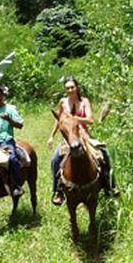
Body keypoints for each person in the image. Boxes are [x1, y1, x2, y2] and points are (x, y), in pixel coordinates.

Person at [47, 77, 118, 205]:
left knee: (103, 153)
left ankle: (110, 185)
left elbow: (90, 120)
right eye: (67, 88)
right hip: (68, 138)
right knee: (55, 160)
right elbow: (59, 121)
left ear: (77, 87)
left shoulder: (84, 101)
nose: (70, 90)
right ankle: (58, 191)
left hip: (84, 135)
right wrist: (52, 136)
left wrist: (74, 119)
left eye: (72, 87)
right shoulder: (63, 102)